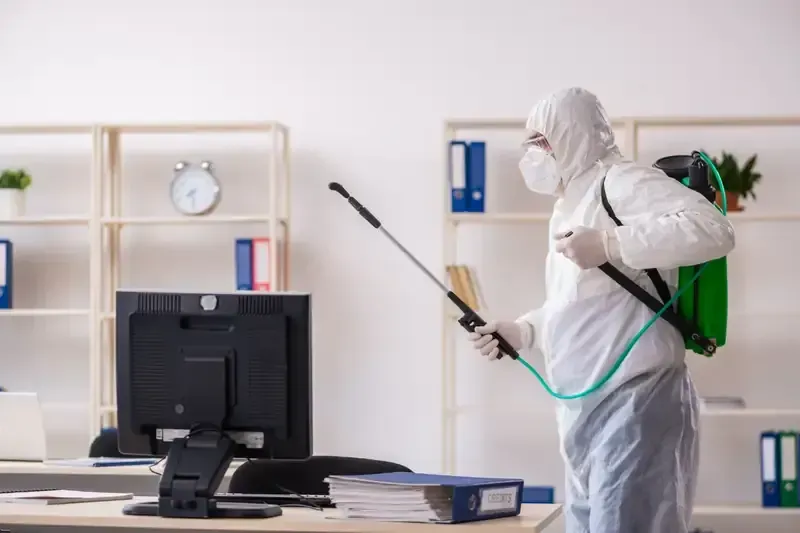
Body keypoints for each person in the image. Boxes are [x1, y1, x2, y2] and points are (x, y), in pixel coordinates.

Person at [469, 87, 735, 533]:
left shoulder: (621, 182)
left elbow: (713, 229)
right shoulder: (568, 206)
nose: (531, 155)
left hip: (635, 399)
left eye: (541, 141)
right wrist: (523, 330)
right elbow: (577, 303)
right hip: (585, 413)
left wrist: (612, 243)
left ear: (572, 136)